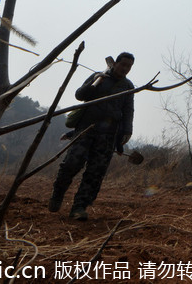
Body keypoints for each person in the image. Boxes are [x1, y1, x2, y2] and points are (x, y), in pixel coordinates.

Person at [48, 52, 135, 221]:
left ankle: (79, 207)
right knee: (72, 163)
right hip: (86, 129)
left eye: (129, 67)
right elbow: (80, 95)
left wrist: (127, 131)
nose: (125, 69)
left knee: (96, 172)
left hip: (109, 135)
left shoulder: (128, 86)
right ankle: (57, 194)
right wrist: (95, 84)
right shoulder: (98, 77)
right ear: (115, 64)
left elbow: (128, 110)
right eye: (123, 64)